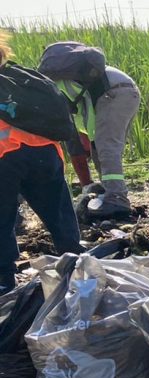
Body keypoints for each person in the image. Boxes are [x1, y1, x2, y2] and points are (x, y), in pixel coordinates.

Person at [0, 33, 84, 294]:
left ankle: (4, 279)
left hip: (5, 155)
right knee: (58, 212)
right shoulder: (24, 79)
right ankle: (79, 269)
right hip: (47, 152)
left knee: (2, 219)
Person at [38, 43, 140, 219]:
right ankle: (111, 193)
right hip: (122, 90)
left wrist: (91, 141)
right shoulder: (67, 80)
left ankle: (117, 199)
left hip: (113, 93)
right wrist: (91, 141)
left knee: (106, 147)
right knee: (100, 147)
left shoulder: (52, 91)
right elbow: (83, 118)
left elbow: (75, 131)